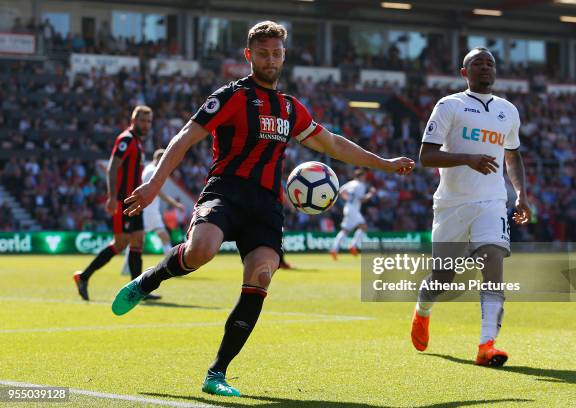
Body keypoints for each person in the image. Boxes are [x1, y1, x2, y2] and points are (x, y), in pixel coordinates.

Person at [111, 21, 415, 397]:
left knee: (262, 276)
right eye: (263, 53)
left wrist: (384, 163)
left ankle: (216, 373)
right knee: (200, 250)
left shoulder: (289, 107)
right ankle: (148, 280)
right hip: (225, 192)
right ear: (249, 55)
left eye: (276, 53)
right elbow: (186, 136)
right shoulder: (233, 96)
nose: (270, 59)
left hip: (266, 203)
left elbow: (332, 144)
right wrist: (155, 183)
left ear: (284, 55)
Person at [410, 47, 531, 367]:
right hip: (451, 204)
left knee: (493, 262)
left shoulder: (508, 110)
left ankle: (486, 345)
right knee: (442, 277)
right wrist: (467, 159)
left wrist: (520, 193)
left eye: (490, 63)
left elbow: (512, 155)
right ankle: (423, 310)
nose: (485, 68)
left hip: (492, 202)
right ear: (464, 72)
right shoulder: (450, 105)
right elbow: (426, 156)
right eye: (477, 63)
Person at [73, 105, 153, 301]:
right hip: (124, 200)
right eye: (143, 120)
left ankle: (136, 290)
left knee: (138, 239)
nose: (146, 124)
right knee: (121, 243)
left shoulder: (138, 142)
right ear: (133, 121)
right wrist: (111, 197)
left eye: (149, 121)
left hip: (135, 200)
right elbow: (112, 167)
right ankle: (84, 276)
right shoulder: (126, 139)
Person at [121, 149, 184, 274]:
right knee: (139, 239)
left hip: (151, 210)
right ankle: (127, 267)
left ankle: (172, 266)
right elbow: (158, 192)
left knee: (163, 236)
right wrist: (175, 204)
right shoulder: (151, 171)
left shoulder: (150, 169)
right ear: (159, 159)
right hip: (147, 210)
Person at [329, 168, 376, 260]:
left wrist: (348, 198)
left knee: (348, 230)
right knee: (360, 227)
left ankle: (336, 249)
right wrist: (371, 193)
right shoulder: (360, 185)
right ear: (361, 176)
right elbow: (362, 199)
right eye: (364, 176)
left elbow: (340, 191)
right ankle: (351, 246)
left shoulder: (350, 183)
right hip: (353, 209)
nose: (365, 178)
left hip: (348, 208)